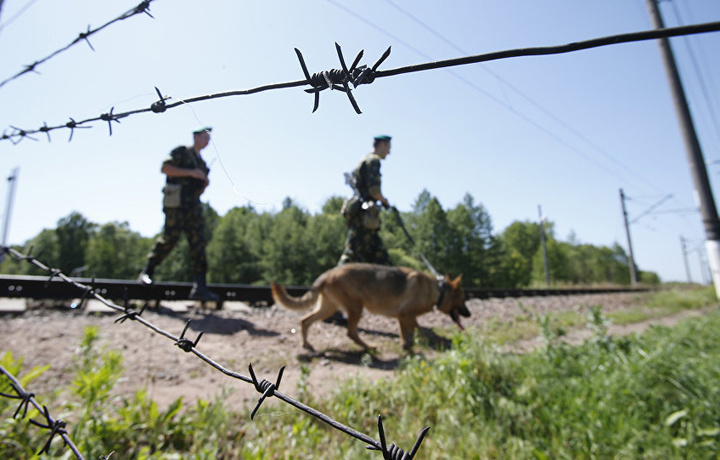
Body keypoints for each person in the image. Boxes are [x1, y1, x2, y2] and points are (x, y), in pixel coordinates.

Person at [138, 127, 219, 301]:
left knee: (198, 244)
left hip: (193, 206)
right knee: (170, 238)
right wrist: (191, 173)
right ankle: (147, 272)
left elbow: (200, 190)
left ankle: (200, 286)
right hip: (176, 203)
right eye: (205, 137)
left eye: (209, 138)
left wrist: (204, 182)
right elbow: (165, 168)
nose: (207, 141)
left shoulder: (203, 163)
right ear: (195, 136)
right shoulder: (182, 152)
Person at [338, 134, 393, 266]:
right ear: (381, 145)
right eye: (388, 147)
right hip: (364, 215)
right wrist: (384, 201)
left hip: (363, 214)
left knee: (378, 255)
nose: (389, 152)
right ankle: (332, 282)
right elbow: (374, 192)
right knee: (351, 255)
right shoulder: (373, 161)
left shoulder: (364, 160)